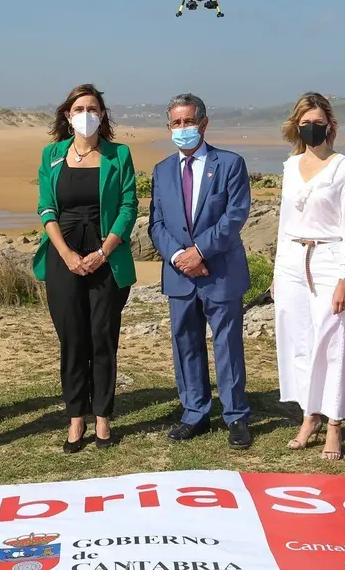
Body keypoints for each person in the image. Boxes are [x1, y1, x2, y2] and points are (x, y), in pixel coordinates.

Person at [32, 84, 137, 453]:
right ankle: (76, 417)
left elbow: (128, 206)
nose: (86, 113)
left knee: (103, 338)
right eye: (79, 108)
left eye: (93, 107)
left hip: (106, 256)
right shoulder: (53, 154)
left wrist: (103, 252)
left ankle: (103, 416)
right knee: (73, 340)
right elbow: (46, 208)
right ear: (67, 115)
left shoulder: (119, 154)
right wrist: (65, 253)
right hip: (64, 256)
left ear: (103, 114)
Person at [148, 93, 254, 450]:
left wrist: (200, 251)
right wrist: (179, 255)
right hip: (180, 274)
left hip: (220, 271)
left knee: (227, 345)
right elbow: (156, 223)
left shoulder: (229, 163)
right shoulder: (162, 170)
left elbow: (235, 216)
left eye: (188, 122)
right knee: (185, 344)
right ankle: (194, 413)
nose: (183, 129)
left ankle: (236, 415)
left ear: (203, 124)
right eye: (176, 123)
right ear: (168, 127)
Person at [271, 93, 345, 461]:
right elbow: (283, 222)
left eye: (318, 121)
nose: (311, 128)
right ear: (297, 126)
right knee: (301, 341)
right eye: (305, 122)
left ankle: (335, 423)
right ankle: (309, 416)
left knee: (332, 342)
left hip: (328, 258)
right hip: (292, 258)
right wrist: (278, 271)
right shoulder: (290, 167)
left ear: (330, 125)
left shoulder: (344, 168)